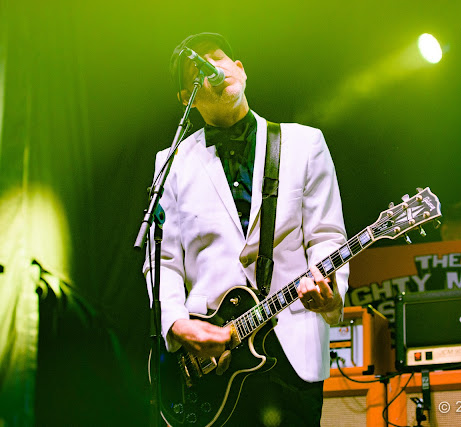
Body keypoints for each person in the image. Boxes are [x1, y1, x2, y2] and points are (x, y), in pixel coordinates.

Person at [143, 33, 349, 426]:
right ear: (186, 96)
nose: (213, 68)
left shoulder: (305, 144)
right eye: (198, 69)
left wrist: (330, 292)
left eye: (218, 58)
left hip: (292, 350)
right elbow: (162, 259)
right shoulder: (171, 163)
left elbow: (327, 236)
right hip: (212, 360)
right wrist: (178, 325)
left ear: (240, 70)